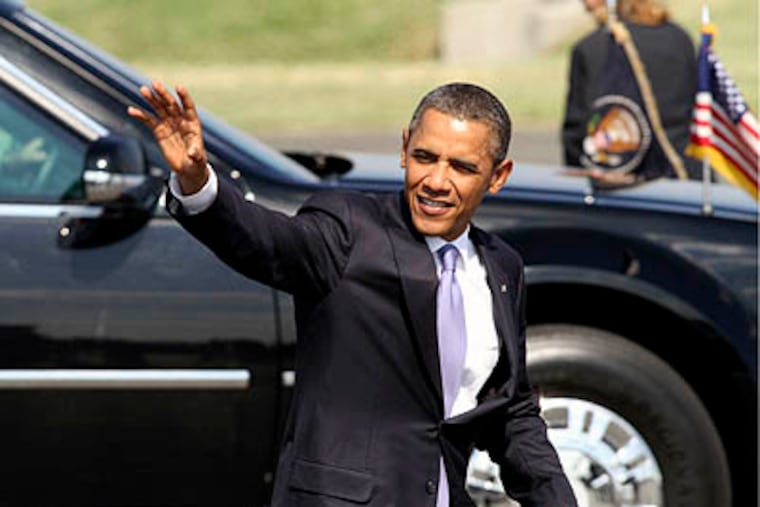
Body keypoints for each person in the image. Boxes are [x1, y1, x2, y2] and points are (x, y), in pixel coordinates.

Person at [128, 81, 577, 507]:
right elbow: (268, 242)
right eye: (425, 157)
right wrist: (198, 184)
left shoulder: (501, 266)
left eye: (461, 167)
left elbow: (510, 412)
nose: (437, 181)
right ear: (404, 149)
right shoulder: (348, 229)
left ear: (498, 176)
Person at [563, 0, 699, 179]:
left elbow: (575, 139)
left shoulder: (590, 49)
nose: (586, 5)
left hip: (616, 187)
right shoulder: (681, 39)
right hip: (685, 182)